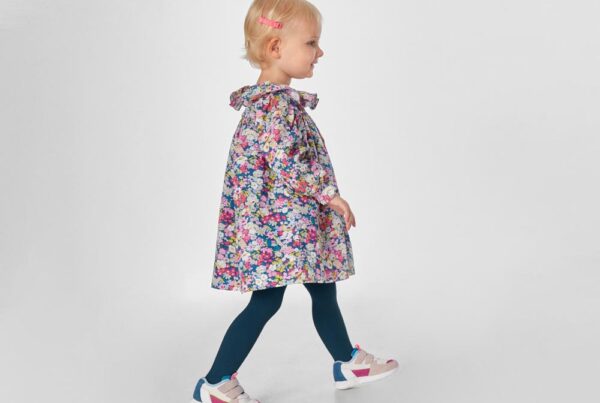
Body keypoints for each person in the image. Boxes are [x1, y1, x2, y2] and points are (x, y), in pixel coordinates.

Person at [191, 1, 398, 401]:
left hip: (288, 223)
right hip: (278, 228)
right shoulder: (274, 107)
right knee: (266, 301)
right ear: (275, 48)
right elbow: (288, 164)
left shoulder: (275, 103)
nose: (320, 52)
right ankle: (215, 381)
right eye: (311, 43)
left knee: (322, 286)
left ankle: (347, 361)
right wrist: (330, 196)